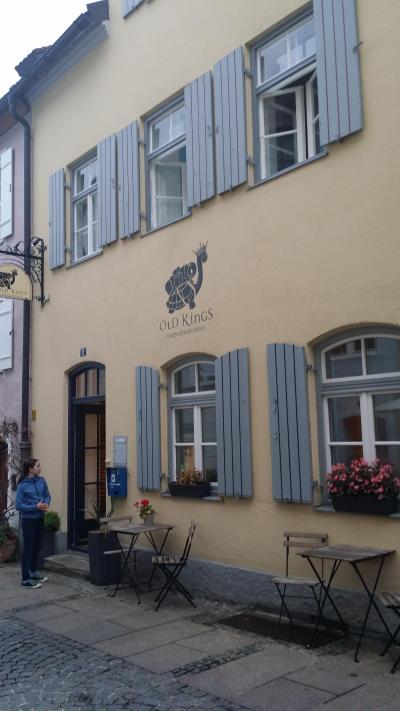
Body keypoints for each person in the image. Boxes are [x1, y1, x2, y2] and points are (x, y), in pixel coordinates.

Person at [16, 458, 51, 588]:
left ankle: (33, 573)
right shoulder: (22, 485)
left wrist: (46, 504)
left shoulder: (41, 481)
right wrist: (35, 506)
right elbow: (19, 506)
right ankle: (25, 580)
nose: (40, 468)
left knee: (37, 546)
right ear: (30, 469)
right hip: (28, 520)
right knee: (28, 548)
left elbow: (47, 495)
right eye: (37, 466)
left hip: (40, 518)